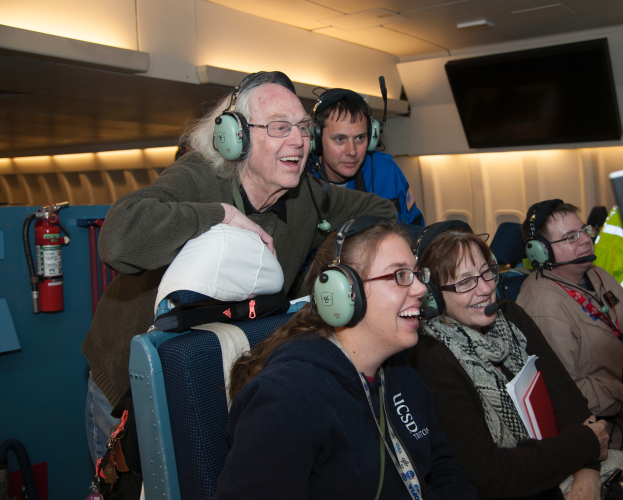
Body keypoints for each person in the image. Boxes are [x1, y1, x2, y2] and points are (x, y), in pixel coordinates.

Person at [81, 71, 397, 464]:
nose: (297, 140)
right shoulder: (199, 176)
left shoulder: (306, 197)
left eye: (302, 128)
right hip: (128, 375)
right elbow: (118, 239)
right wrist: (220, 215)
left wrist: (326, 261)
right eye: (280, 127)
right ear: (237, 138)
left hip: (211, 368)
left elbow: (382, 211)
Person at [217, 218, 478, 500]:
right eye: (399, 275)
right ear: (342, 293)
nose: (421, 290)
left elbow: (441, 466)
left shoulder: (399, 370)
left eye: (416, 274)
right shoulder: (285, 399)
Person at [409, 223, 623, 500]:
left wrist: (588, 473)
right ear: (433, 296)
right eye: (464, 282)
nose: (485, 289)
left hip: (558, 461)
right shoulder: (432, 357)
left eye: (486, 272)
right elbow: (491, 475)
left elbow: (570, 403)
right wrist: (587, 446)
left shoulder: (510, 316)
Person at [516, 200, 623, 459]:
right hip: (621, 424)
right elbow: (569, 388)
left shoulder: (597, 275)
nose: (585, 240)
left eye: (584, 230)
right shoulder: (543, 306)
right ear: (540, 252)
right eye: (571, 237)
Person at [310, 87, 424, 225]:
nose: (352, 151)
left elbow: (414, 229)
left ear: (371, 139)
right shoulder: (302, 181)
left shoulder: (386, 171)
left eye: (359, 138)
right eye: (340, 139)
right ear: (316, 138)